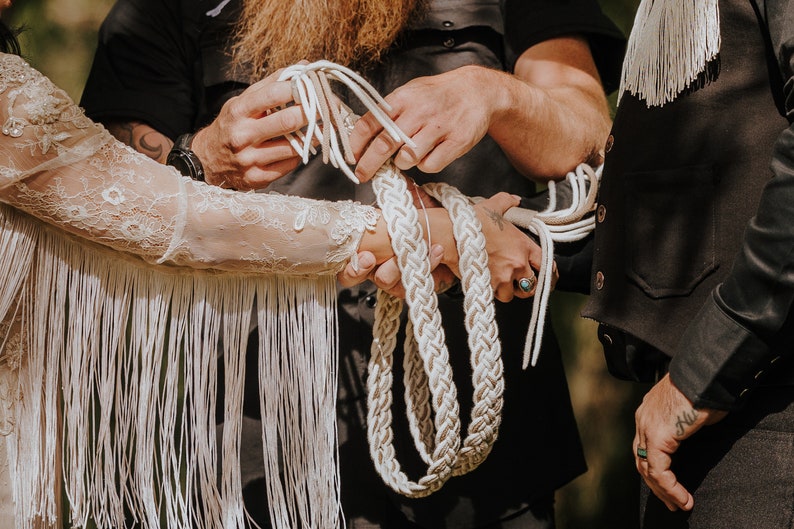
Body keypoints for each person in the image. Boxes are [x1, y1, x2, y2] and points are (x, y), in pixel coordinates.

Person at [80, 0, 626, 527]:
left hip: (484, 421)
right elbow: (99, 194)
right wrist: (202, 156)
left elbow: (589, 136)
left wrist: (495, 95)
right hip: (251, 434)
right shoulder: (163, 8)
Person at [583, 0, 794, 527]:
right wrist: (520, 241)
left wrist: (701, 374)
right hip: (710, 438)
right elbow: (689, 211)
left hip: (766, 430)